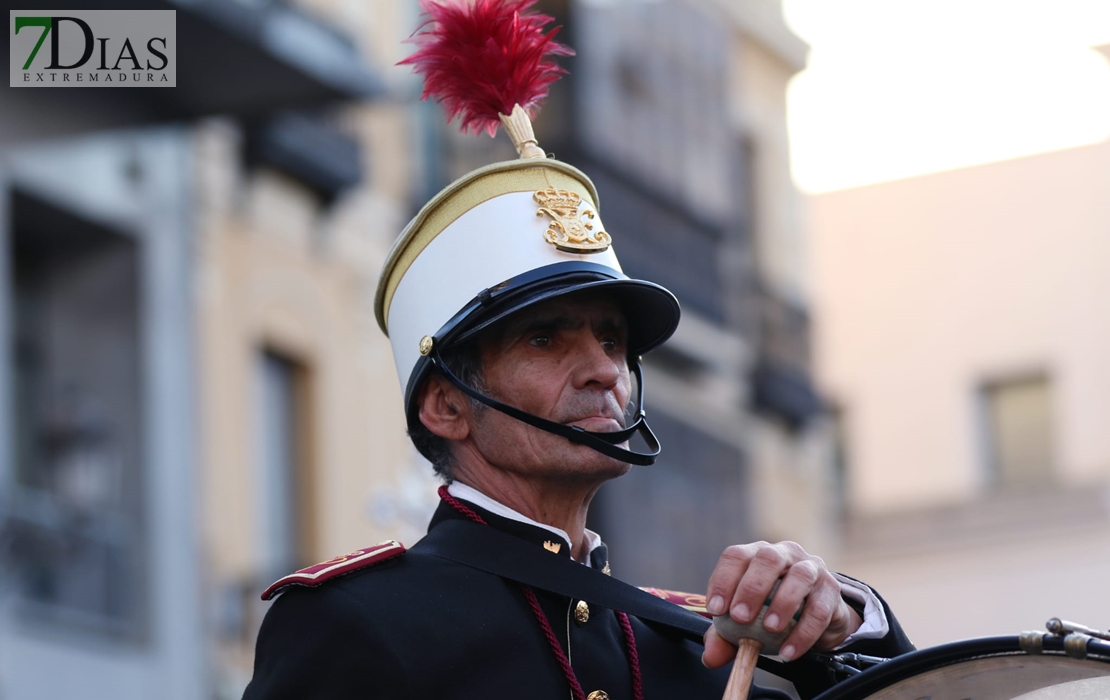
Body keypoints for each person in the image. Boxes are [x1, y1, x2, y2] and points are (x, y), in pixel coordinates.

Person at [243, 3, 913, 698]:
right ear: (445, 406)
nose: (603, 371)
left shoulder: (696, 648)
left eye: (612, 340)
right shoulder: (355, 623)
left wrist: (846, 619)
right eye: (544, 339)